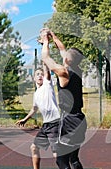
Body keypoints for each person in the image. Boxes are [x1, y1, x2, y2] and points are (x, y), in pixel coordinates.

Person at [41, 29, 87, 169]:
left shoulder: (64, 72)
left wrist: (45, 41)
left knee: (62, 161)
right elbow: (62, 49)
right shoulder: (77, 69)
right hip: (80, 119)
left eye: (65, 55)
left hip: (69, 121)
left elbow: (46, 59)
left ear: (67, 59)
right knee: (73, 159)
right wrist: (53, 35)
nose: (63, 54)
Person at [15, 47, 60, 169]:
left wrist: (44, 54)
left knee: (56, 152)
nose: (40, 76)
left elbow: (46, 69)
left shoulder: (48, 84)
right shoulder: (36, 94)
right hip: (46, 125)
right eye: (37, 74)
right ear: (34, 78)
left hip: (55, 123)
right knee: (34, 147)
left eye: (41, 74)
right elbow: (33, 109)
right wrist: (25, 119)